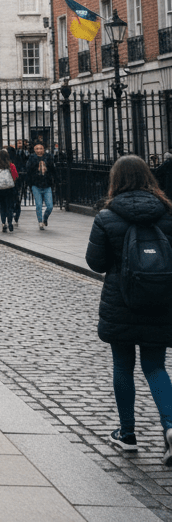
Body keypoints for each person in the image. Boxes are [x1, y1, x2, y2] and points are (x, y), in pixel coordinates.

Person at [86, 156, 172, 461]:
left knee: (123, 366)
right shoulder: (167, 213)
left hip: (121, 301)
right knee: (156, 367)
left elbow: (95, 262)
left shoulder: (107, 217)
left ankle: (128, 434)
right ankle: (171, 427)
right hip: (159, 300)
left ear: (115, 180)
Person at [25, 140, 57, 231]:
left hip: (47, 185)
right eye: (37, 149)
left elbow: (53, 170)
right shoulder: (31, 158)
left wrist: (55, 181)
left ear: (44, 149)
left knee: (50, 206)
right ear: (34, 150)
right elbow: (29, 171)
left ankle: (45, 218)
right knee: (38, 205)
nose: (39, 150)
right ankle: (40, 222)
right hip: (36, 184)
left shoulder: (49, 157)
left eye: (41, 148)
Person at [0, 149, 19, 233]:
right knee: (10, 206)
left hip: (0, 189)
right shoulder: (11, 165)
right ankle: (10, 222)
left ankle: (3, 223)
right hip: (10, 189)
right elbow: (16, 176)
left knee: (2, 206)